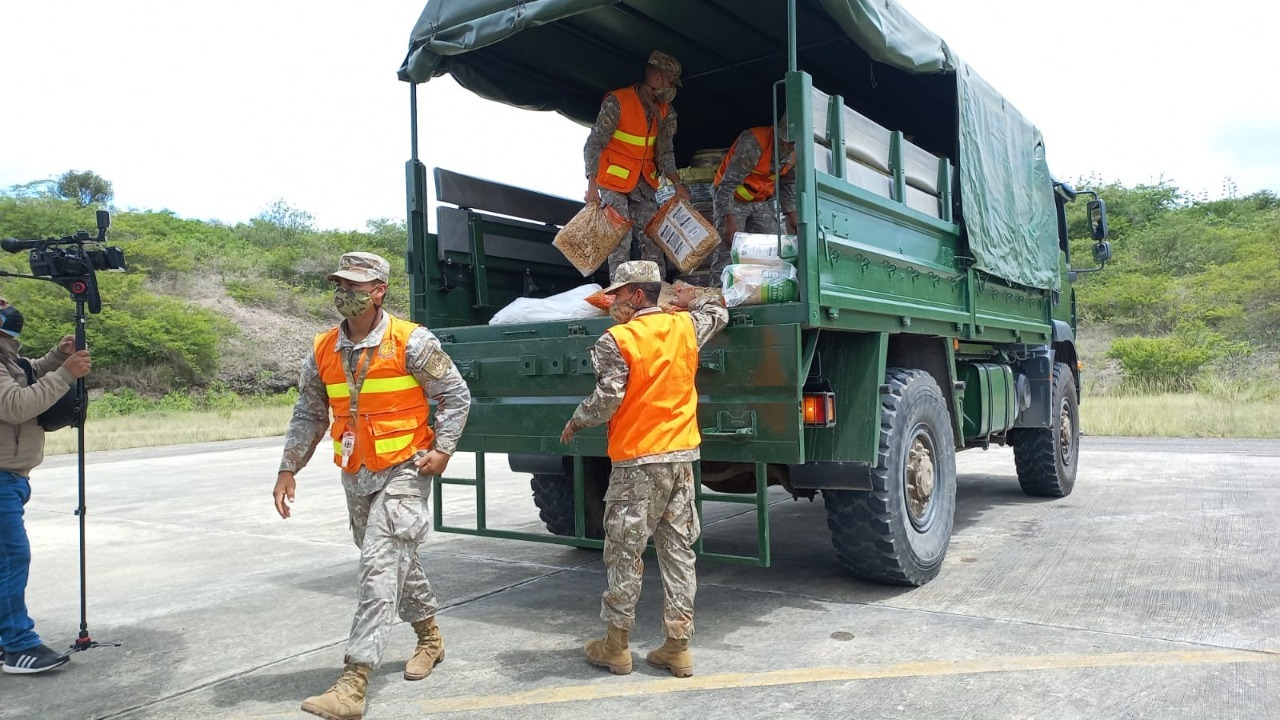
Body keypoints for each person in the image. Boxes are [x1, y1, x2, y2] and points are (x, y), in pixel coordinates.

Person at [272, 252, 471, 720]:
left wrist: (443, 448)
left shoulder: (412, 341)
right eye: (340, 283)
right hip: (357, 473)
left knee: (378, 569)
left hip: (405, 468)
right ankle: (429, 637)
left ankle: (353, 682)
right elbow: (310, 413)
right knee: (394, 559)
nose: (345, 292)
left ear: (379, 289)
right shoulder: (322, 348)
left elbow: (456, 395)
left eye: (356, 284)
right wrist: (288, 468)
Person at [560, 260, 728, 678]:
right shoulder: (685, 326)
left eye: (617, 294)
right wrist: (692, 295)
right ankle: (677, 646)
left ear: (637, 295)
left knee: (624, 551)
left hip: (638, 460)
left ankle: (616, 645)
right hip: (682, 457)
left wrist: (578, 418)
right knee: (677, 551)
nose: (611, 300)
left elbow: (608, 399)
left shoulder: (617, 339)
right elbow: (720, 310)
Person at [0, 297, 91, 675]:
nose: (6, 304)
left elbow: (27, 372)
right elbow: (16, 405)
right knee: (10, 559)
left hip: (12, 477)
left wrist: (56, 357)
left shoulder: (7, 358)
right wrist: (66, 374)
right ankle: (18, 646)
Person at [584, 50, 691, 277]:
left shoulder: (666, 112)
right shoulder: (618, 102)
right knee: (620, 237)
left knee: (652, 236)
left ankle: (657, 291)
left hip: (644, 183)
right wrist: (592, 186)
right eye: (670, 80)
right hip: (614, 181)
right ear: (656, 76)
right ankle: (620, 290)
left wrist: (677, 184)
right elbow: (594, 144)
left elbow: (665, 152)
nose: (672, 86)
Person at [710, 115, 799, 282]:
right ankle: (718, 294)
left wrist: (791, 215)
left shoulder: (795, 154)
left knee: (772, 248)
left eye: (791, 144)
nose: (786, 147)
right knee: (729, 249)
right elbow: (726, 186)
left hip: (759, 201)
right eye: (783, 142)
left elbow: (788, 183)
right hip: (732, 197)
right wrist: (729, 219)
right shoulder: (754, 143)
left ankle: (758, 291)